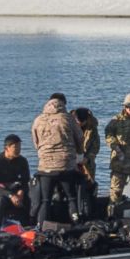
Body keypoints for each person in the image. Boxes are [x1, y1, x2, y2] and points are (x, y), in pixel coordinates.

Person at [31, 95, 84, 225]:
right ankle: (76, 223)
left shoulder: (38, 120)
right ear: (63, 104)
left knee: (45, 200)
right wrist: (79, 155)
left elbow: (36, 142)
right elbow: (80, 138)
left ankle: (40, 227)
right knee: (71, 198)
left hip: (45, 167)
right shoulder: (68, 119)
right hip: (65, 165)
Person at [0, 134, 32, 231]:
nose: (18, 149)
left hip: (16, 190)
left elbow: (25, 180)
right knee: (0, 201)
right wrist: (10, 195)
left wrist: (21, 191)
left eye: (19, 146)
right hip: (0, 191)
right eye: (15, 147)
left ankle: (30, 226)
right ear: (7, 148)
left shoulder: (22, 161)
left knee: (33, 195)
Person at [72, 107, 100, 218]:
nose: (79, 125)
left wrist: (88, 158)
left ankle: (90, 212)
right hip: (72, 162)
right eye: (77, 122)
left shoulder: (92, 128)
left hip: (87, 163)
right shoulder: (69, 125)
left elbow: (95, 147)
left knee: (90, 187)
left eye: (81, 123)